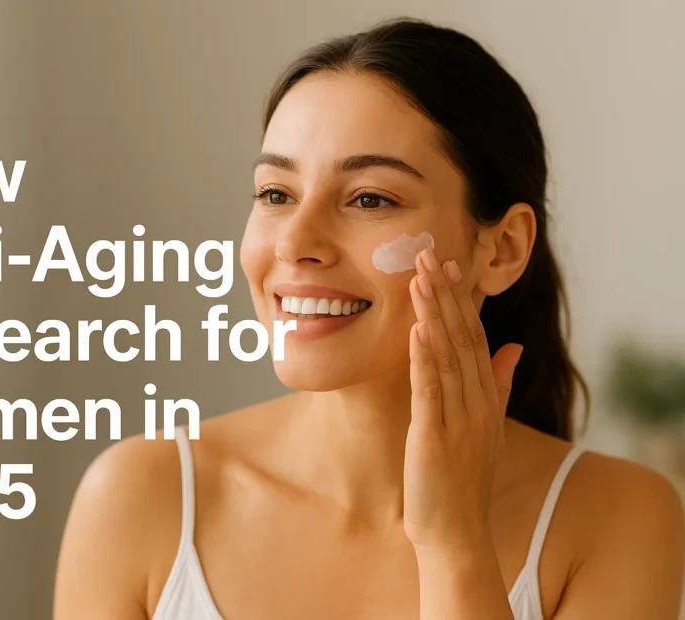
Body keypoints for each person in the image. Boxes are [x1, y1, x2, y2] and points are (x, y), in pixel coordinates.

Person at [53, 18, 684, 619]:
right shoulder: (141, 497)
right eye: (277, 194)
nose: (296, 241)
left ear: (505, 248)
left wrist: (453, 541)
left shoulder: (619, 519)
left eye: (369, 198)